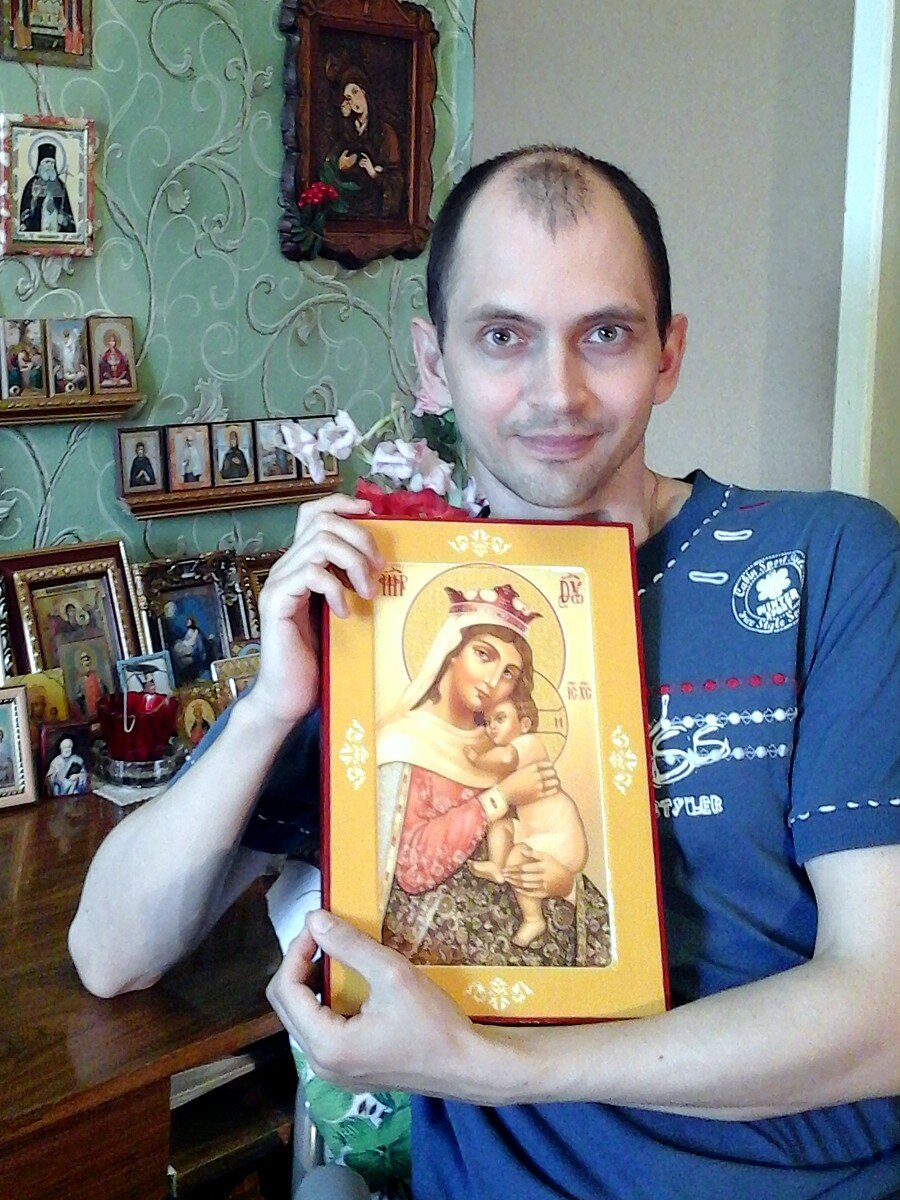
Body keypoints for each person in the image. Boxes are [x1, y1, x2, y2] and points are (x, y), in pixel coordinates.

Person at [68, 146, 900, 1200]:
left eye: (606, 334)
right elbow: (111, 952)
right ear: (434, 363)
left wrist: (493, 1069)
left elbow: (883, 1014)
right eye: (503, 336)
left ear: (670, 353)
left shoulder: (829, 562)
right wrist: (278, 703)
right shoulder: (378, 610)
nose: (558, 392)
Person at [376, 583, 606, 966]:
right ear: (452, 651)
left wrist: (563, 883)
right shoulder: (403, 743)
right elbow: (412, 868)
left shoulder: (506, 747)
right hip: (439, 946)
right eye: (483, 655)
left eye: (509, 673)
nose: (493, 680)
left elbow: (546, 832)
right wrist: (500, 797)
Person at [465, 693, 588, 948]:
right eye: (488, 722)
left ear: (524, 724)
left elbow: (505, 758)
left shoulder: (528, 743)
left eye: (500, 719)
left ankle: (534, 919)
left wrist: (477, 759)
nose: (492, 727)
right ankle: (496, 866)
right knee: (501, 825)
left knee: (518, 858)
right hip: (535, 831)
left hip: (561, 835)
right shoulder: (511, 754)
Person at [327, 68, 403, 218]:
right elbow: (329, 164)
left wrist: (373, 173)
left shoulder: (385, 132)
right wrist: (339, 166)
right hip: (349, 205)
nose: (353, 101)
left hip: (374, 206)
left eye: (355, 92)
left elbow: (396, 179)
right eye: (348, 98)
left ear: (365, 92)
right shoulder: (347, 130)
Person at [17, 142, 76, 235]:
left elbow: (68, 215)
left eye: (52, 163)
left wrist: (64, 220)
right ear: (40, 164)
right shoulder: (33, 184)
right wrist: (34, 199)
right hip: (37, 230)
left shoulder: (60, 185)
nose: (50, 165)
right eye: (47, 162)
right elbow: (25, 214)